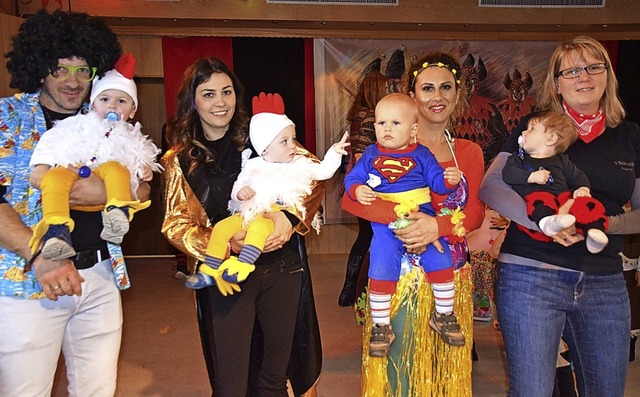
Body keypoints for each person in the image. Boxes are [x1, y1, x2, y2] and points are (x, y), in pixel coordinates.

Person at [479, 36, 640, 396]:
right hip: (531, 275)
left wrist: (600, 225)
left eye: (594, 66)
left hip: (604, 280)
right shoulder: (532, 127)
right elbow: (490, 187)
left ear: (608, 75)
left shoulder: (629, 136)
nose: (584, 77)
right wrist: (543, 224)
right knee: (533, 390)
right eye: (571, 70)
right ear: (556, 83)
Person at [0, 10, 150, 396]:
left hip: (99, 276)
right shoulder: (7, 118)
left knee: (98, 390)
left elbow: (143, 188)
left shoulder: (105, 114)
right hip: (30, 280)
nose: (73, 82)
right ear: (38, 67)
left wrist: (108, 194)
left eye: (83, 70)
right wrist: (40, 256)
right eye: (60, 69)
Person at [161, 57, 322, 396]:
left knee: (276, 376)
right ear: (193, 101)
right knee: (231, 380)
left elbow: (314, 174)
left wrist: (289, 218)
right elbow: (175, 223)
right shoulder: (179, 159)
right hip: (225, 276)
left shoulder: (264, 134)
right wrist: (221, 242)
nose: (220, 102)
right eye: (208, 94)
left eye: (227, 92)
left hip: (282, 268)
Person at [345, 52, 485, 395]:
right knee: (399, 367)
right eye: (427, 88)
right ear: (412, 94)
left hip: (448, 278)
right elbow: (350, 199)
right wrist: (400, 220)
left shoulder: (468, 152)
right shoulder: (383, 148)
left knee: (442, 372)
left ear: (458, 93)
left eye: (446, 87)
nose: (437, 97)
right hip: (398, 275)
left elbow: (476, 212)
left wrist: (437, 227)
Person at [186, 92, 349, 290]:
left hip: (270, 217)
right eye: (284, 141)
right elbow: (237, 185)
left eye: (293, 139)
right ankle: (210, 271)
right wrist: (240, 193)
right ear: (264, 148)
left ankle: (243, 265)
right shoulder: (253, 165)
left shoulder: (299, 163)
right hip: (249, 213)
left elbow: (323, 171)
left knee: (259, 229)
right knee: (221, 228)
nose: (293, 145)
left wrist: (334, 153)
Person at [344, 93, 464, 355]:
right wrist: (357, 190)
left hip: (421, 216)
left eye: (395, 124)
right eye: (381, 123)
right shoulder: (370, 155)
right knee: (381, 262)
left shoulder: (423, 154)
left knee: (440, 259)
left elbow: (437, 183)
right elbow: (352, 179)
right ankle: (380, 324)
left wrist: (449, 180)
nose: (386, 129)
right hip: (386, 224)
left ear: (413, 130)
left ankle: (443, 315)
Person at [28, 53, 161, 264]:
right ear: (93, 104)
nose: (112, 106)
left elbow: (141, 169)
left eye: (121, 101)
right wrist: (42, 167)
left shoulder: (130, 134)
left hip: (103, 260)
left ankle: (117, 213)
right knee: (54, 179)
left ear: (133, 110)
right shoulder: (75, 125)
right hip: (71, 171)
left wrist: (142, 170)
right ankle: (56, 229)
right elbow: (51, 141)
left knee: (116, 169)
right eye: (105, 99)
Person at [502, 110, 609, 253]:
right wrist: (531, 177)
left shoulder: (562, 161)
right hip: (537, 204)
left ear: (551, 139)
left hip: (563, 200)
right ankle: (547, 222)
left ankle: (594, 232)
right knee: (539, 199)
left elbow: (578, 177)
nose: (524, 133)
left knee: (588, 203)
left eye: (532, 129)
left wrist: (583, 188)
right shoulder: (518, 159)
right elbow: (508, 174)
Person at [339, 71, 388, 307]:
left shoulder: (358, 115)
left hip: (361, 184)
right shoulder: (369, 117)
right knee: (368, 236)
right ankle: (351, 290)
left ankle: (351, 290)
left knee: (365, 236)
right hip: (368, 186)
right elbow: (361, 156)